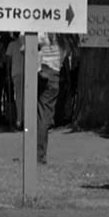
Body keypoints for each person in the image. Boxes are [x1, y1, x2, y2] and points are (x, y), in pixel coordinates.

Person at [36, 32, 76, 165]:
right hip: (54, 74)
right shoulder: (66, 39)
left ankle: (37, 154)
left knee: (38, 116)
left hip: (41, 70)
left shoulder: (44, 33)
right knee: (44, 116)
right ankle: (39, 155)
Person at [5, 33, 25, 128]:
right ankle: (25, 119)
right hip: (28, 72)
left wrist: (7, 74)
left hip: (16, 72)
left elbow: (8, 60)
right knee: (27, 97)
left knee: (19, 96)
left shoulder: (12, 44)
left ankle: (19, 120)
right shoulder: (28, 43)